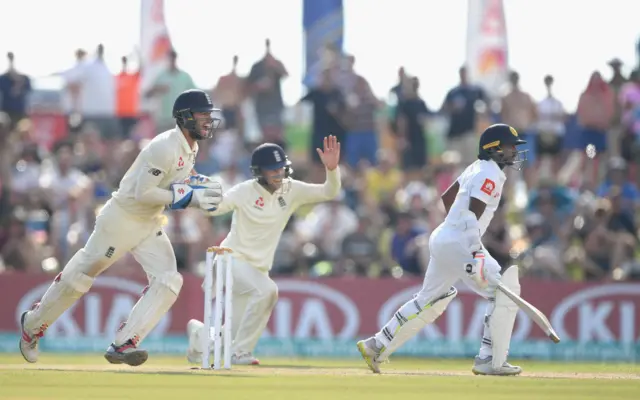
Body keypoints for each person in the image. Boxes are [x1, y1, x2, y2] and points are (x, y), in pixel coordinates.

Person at [18, 89, 224, 367]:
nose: (207, 121)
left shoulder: (191, 148)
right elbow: (142, 192)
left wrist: (201, 183)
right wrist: (188, 196)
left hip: (149, 223)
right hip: (122, 218)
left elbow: (179, 179)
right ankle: (33, 325)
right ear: (185, 117)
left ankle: (124, 343)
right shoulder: (164, 146)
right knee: (80, 278)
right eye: (202, 116)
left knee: (168, 280)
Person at [357, 123, 528, 376]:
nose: (515, 151)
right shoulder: (489, 173)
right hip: (461, 241)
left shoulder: (475, 168)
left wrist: (456, 229)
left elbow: (448, 198)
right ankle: (489, 359)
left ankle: (377, 344)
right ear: (494, 149)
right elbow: (471, 215)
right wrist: (476, 252)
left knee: (429, 300)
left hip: (444, 236)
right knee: (501, 294)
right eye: (510, 146)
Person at [186, 136, 342, 365]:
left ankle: (199, 335)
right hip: (230, 259)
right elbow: (216, 208)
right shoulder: (245, 191)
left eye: (282, 169)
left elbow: (329, 192)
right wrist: (198, 191)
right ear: (260, 172)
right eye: (273, 171)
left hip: (257, 269)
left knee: (226, 334)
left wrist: (332, 168)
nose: (279, 175)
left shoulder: (292, 190)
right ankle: (240, 353)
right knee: (268, 291)